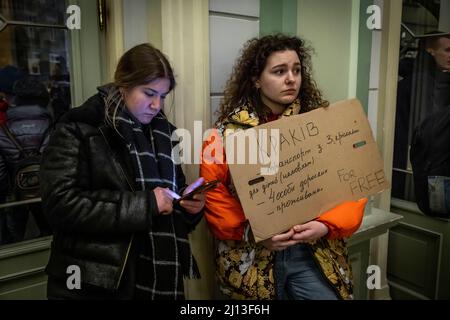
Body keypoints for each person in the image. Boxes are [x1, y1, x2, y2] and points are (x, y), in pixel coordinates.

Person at [200, 34, 367, 300]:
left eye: (297, 70)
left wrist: (325, 225)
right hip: (251, 256)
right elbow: (211, 192)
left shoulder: (322, 124)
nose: (291, 78)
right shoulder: (224, 134)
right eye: (279, 71)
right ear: (256, 79)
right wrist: (251, 231)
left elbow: (353, 181)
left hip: (312, 250)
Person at [40, 43, 205, 300]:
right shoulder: (80, 128)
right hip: (96, 284)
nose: (156, 105)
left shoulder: (166, 134)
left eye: (163, 96)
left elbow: (170, 198)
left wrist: (187, 205)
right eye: (149, 93)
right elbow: (60, 206)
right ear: (123, 85)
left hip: (154, 278)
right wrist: (146, 204)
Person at [392, 32, 450, 199]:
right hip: (414, 168)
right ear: (430, 51)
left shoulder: (434, 79)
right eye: (447, 50)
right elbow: (428, 136)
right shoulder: (422, 82)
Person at [0, 76, 52, 244]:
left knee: (15, 242)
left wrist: (10, 195)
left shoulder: (3, 129)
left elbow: (0, 173)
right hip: (47, 194)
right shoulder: (53, 126)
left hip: (16, 198)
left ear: (16, 100)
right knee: (51, 236)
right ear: (45, 99)